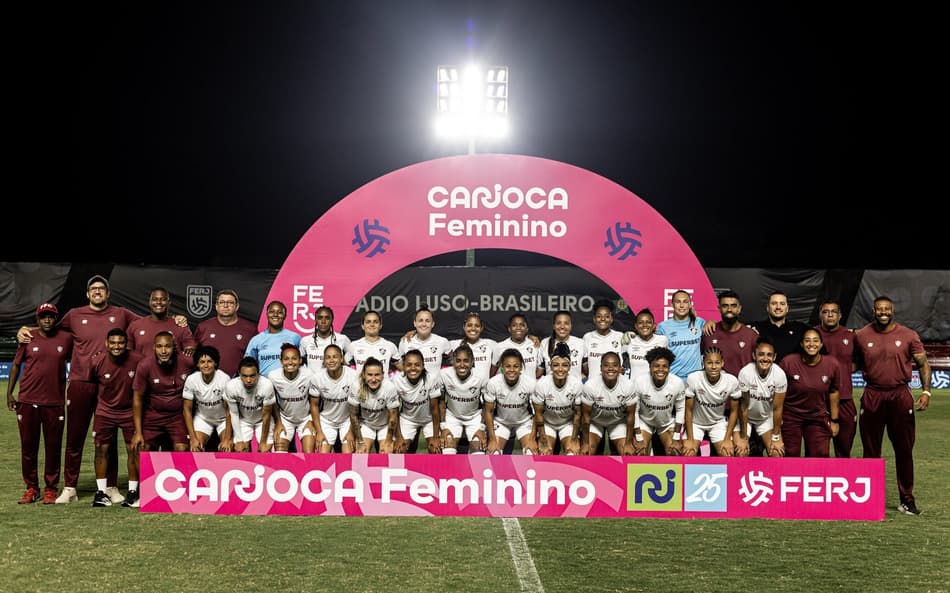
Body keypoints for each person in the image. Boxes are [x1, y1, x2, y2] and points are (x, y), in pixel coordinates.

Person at [16, 275, 184, 503]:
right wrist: (26, 329)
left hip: (112, 383)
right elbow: (50, 328)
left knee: (109, 436)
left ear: (108, 293)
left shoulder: (122, 314)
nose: (97, 292)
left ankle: (112, 487)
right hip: (81, 382)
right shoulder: (75, 315)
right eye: (93, 289)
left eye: (101, 289)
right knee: (75, 437)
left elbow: (150, 322)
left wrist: (176, 320)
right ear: (87, 294)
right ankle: (71, 487)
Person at [853, 295, 932, 516]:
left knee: (904, 450)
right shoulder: (861, 335)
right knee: (870, 450)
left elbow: (923, 364)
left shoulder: (908, 335)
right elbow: (852, 362)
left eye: (887, 308)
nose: (883, 312)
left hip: (900, 395)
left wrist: (926, 391)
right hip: (872, 394)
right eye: (879, 309)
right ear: (873, 311)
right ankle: (869, 499)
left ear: (893, 311)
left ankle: (907, 500)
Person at [6, 303, 73, 504]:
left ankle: (51, 489)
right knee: (28, 448)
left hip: (54, 402)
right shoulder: (28, 337)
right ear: (37, 319)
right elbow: (16, 365)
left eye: (51, 316)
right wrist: (10, 393)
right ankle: (31, 488)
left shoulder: (66, 338)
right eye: (43, 316)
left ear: (56, 318)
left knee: (53, 447)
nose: (47, 320)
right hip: (27, 401)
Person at [90, 328, 144, 507]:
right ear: (106, 344)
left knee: (134, 450)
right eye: (112, 343)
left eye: (120, 343)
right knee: (101, 450)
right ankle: (101, 493)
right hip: (105, 412)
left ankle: (132, 492)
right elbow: (91, 388)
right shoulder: (97, 360)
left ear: (126, 344)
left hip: (130, 412)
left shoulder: (137, 360)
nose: (116, 346)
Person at [778, 328, 840, 458]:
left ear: (821, 344)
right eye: (807, 341)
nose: (811, 344)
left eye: (815, 341)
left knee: (820, 455)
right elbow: (778, 393)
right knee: (790, 454)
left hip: (817, 416)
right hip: (791, 416)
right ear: (801, 344)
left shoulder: (832, 364)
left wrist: (834, 420)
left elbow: (834, 392)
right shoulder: (788, 362)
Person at [130, 331, 195, 453]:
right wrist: (138, 432)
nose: (163, 351)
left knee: (182, 449)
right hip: (153, 416)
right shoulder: (145, 365)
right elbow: (137, 399)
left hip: (177, 417)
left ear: (174, 347)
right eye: (159, 347)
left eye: (167, 346)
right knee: (142, 448)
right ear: (154, 348)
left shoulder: (187, 362)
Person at [815, 300, 857, 457]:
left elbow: (858, 361)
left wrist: (843, 373)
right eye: (826, 312)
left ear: (840, 315)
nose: (830, 315)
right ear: (820, 315)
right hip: (819, 401)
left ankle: (842, 480)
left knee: (844, 450)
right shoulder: (812, 335)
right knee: (818, 452)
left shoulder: (851, 336)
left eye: (833, 312)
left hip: (845, 399)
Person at [682, 347, 741, 457]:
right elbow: (688, 411)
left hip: (717, 423)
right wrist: (690, 439)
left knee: (727, 453)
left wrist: (727, 439)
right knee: (688, 453)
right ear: (703, 363)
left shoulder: (731, 381)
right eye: (709, 363)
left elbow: (734, 412)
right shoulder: (693, 379)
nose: (713, 367)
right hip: (696, 424)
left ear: (722, 363)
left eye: (717, 363)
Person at [735, 338, 788, 457]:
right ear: (754, 356)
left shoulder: (779, 375)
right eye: (761, 354)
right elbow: (743, 407)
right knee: (740, 452)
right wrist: (743, 437)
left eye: (769, 355)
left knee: (776, 453)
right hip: (746, 418)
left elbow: (777, 409)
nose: (765, 358)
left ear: (774, 357)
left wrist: (775, 437)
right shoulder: (746, 373)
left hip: (765, 419)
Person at [580, 351, 637, 456]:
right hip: (595, 422)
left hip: (617, 422)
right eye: (606, 365)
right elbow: (586, 417)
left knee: (628, 453)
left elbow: (630, 416)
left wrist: (628, 443)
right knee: (587, 452)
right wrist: (585, 443)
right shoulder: (590, 386)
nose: (610, 368)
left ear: (620, 368)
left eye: (615, 365)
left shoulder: (628, 385)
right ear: (601, 368)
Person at [631, 346, 685, 455]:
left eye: (665, 366)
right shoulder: (639, 382)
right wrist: (638, 436)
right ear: (650, 367)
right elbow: (634, 411)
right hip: (645, 422)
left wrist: (675, 437)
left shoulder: (677, 383)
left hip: (666, 424)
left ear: (669, 368)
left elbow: (680, 409)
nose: (660, 369)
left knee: (674, 452)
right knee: (639, 452)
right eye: (656, 366)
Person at [483, 348, 538, 455]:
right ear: (502, 367)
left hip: (524, 422)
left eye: (516, 366)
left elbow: (538, 412)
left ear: (521, 367)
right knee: (493, 453)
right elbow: (488, 412)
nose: (512, 370)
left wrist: (532, 438)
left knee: (531, 453)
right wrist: (493, 439)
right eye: (508, 366)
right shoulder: (493, 383)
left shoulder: (530, 383)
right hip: (501, 422)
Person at [532, 343, 583, 455]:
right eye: (556, 365)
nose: (560, 369)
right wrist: (543, 438)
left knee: (572, 453)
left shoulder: (576, 384)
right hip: (548, 424)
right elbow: (538, 414)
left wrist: (574, 439)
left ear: (569, 367)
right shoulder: (542, 384)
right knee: (545, 453)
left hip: (567, 424)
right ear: (550, 366)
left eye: (564, 365)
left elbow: (577, 414)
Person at [194, 289, 258, 377]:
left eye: (230, 302)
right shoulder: (203, 327)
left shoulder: (250, 329)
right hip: (209, 382)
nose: (226, 305)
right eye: (222, 302)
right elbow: (193, 355)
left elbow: (257, 357)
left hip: (240, 382)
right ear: (216, 306)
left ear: (237, 306)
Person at [268, 343, 319, 453]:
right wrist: (278, 422)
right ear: (281, 361)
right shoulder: (273, 376)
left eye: (294, 358)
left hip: (305, 419)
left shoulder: (309, 375)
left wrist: (311, 420)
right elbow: (273, 403)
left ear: (300, 360)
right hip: (285, 419)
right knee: (279, 454)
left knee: (309, 454)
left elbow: (316, 400)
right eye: (286, 359)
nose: (290, 362)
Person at [182, 345, 234, 452]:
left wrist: (227, 439)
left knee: (227, 448)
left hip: (223, 419)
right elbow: (187, 410)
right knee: (196, 448)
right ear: (197, 364)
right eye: (202, 362)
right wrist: (193, 438)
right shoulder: (192, 380)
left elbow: (230, 411)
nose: (206, 365)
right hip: (203, 418)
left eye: (209, 361)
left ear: (215, 363)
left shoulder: (224, 379)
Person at [439, 344, 488, 454]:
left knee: (478, 452)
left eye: (466, 361)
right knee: (448, 451)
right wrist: (443, 426)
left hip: (474, 417)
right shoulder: (444, 374)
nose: (462, 365)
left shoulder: (481, 375)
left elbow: (487, 404)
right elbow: (441, 401)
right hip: (452, 416)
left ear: (472, 362)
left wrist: (481, 427)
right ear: (453, 362)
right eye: (458, 361)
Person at [392, 349, 443, 454]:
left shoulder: (431, 379)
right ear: (404, 366)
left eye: (417, 365)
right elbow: (394, 411)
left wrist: (436, 437)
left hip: (429, 420)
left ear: (423, 366)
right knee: (399, 450)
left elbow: (435, 409)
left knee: (436, 449)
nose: (413, 368)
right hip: (408, 419)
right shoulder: (397, 380)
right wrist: (399, 437)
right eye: (409, 365)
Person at [309, 344, 358, 453]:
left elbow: (357, 407)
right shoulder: (317, 378)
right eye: (328, 357)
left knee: (348, 453)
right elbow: (314, 405)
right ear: (324, 360)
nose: (331, 360)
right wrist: (319, 431)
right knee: (322, 455)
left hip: (347, 420)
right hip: (326, 420)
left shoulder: (353, 376)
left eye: (335, 357)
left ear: (341, 359)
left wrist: (351, 431)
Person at [700, 290, 758, 376]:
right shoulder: (709, 332)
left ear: (739, 309)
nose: (729, 309)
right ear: (719, 308)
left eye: (733, 306)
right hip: (714, 388)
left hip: (742, 387)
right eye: (725, 306)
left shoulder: (751, 335)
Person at [347, 357, 400, 453]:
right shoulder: (356, 386)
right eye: (370, 375)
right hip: (367, 424)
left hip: (385, 425)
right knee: (361, 453)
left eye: (377, 375)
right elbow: (353, 415)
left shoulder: (389, 388)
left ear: (383, 375)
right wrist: (360, 441)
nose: (374, 379)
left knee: (386, 453)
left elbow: (393, 417)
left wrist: (388, 441)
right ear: (363, 375)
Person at [224, 357, 276, 453]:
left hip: (262, 420)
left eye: (252, 376)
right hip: (243, 420)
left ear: (258, 374)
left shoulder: (266, 385)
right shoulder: (231, 386)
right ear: (239, 374)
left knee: (265, 451)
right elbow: (234, 414)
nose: (248, 380)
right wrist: (239, 440)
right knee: (241, 450)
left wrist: (263, 442)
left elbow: (266, 416)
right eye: (244, 376)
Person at [127, 286, 196, 357]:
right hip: (142, 367)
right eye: (154, 299)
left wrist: (190, 349)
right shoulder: (135, 325)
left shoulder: (180, 324)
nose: (158, 302)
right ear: (150, 302)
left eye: (163, 299)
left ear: (169, 303)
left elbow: (190, 349)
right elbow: (127, 354)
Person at [655, 290, 705, 382]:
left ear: (690, 305)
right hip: (673, 378)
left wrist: (711, 321)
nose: (682, 306)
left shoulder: (699, 322)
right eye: (678, 302)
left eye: (685, 302)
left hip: (696, 379)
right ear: (672, 305)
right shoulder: (663, 327)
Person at [748, 291, 811, 361]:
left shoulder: (800, 328)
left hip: (792, 371)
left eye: (782, 304)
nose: (778, 307)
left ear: (787, 308)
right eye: (774, 303)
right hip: (763, 370)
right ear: (768, 308)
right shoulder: (756, 328)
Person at [245, 300, 301, 377]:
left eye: (280, 312)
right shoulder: (256, 340)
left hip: (287, 385)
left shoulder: (294, 337)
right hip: (264, 385)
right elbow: (248, 364)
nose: (275, 315)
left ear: (285, 316)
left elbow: (302, 363)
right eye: (272, 312)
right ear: (267, 314)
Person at [398, 306, 451, 375]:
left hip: (436, 386)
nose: (424, 324)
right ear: (415, 323)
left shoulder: (442, 342)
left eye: (427, 321)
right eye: (420, 320)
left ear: (432, 324)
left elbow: (453, 363)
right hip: (414, 385)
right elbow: (399, 365)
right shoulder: (405, 342)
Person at [346, 310, 400, 375]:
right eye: (368, 322)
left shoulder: (390, 346)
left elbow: (403, 368)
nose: (372, 324)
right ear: (363, 326)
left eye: (375, 322)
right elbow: (344, 365)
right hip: (360, 385)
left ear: (380, 325)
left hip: (383, 385)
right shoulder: (353, 346)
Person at [447, 312, 498, 381]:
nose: (473, 328)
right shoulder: (454, 344)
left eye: (477, 326)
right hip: (461, 388)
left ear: (481, 328)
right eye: (469, 325)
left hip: (484, 390)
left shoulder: (491, 344)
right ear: (464, 327)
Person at [582, 300, 624, 380]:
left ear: (611, 319)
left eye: (607, 316)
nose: (603, 319)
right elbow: (583, 363)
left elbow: (627, 361)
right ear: (594, 319)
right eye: (599, 316)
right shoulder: (587, 337)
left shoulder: (620, 336)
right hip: (594, 388)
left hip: (616, 386)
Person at [539, 310, 586, 380]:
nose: (562, 326)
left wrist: (582, 380)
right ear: (554, 326)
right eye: (558, 323)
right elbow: (539, 372)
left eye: (566, 323)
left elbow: (587, 371)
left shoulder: (580, 343)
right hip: (551, 389)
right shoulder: (545, 343)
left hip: (575, 389)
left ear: (571, 326)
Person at [492, 313, 542, 379]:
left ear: (527, 329)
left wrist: (529, 381)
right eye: (514, 325)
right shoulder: (500, 347)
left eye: (522, 325)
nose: (518, 328)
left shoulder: (535, 344)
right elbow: (493, 372)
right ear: (509, 329)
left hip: (530, 388)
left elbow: (540, 369)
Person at [622, 308, 669, 379]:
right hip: (635, 388)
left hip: (654, 388)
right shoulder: (630, 341)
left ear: (654, 326)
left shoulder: (663, 340)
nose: (644, 325)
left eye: (648, 322)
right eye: (641, 322)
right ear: (636, 326)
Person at [300, 306, 351, 370]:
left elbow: (353, 354)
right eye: (320, 318)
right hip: (312, 379)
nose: (323, 321)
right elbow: (299, 362)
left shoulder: (342, 339)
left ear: (332, 320)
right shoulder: (305, 340)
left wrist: (345, 362)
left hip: (334, 379)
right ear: (315, 320)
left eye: (327, 318)